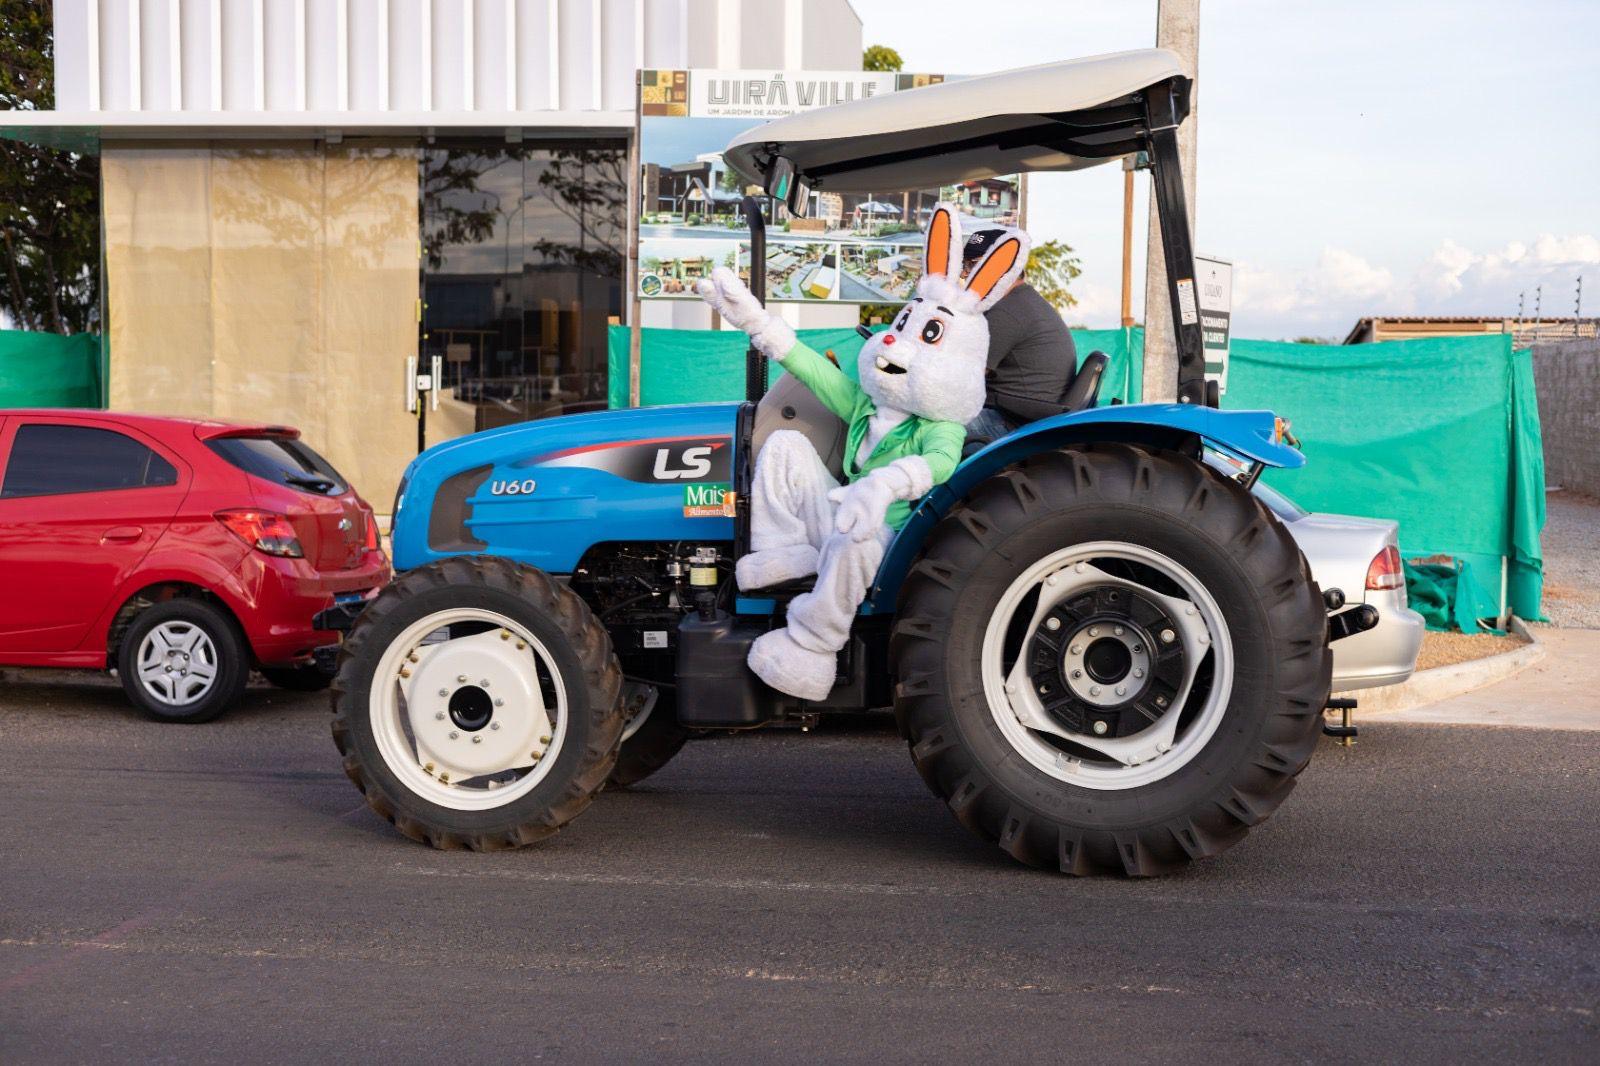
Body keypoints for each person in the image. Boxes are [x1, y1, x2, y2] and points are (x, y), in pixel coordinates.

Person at [960, 228, 1078, 443]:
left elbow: (962, 379)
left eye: (972, 264)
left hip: (1012, 422)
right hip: (1019, 415)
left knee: (920, 429)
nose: (964, 274)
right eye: (964, 264)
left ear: (1003, 266)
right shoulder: (1020, 302)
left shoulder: (1007, 312)